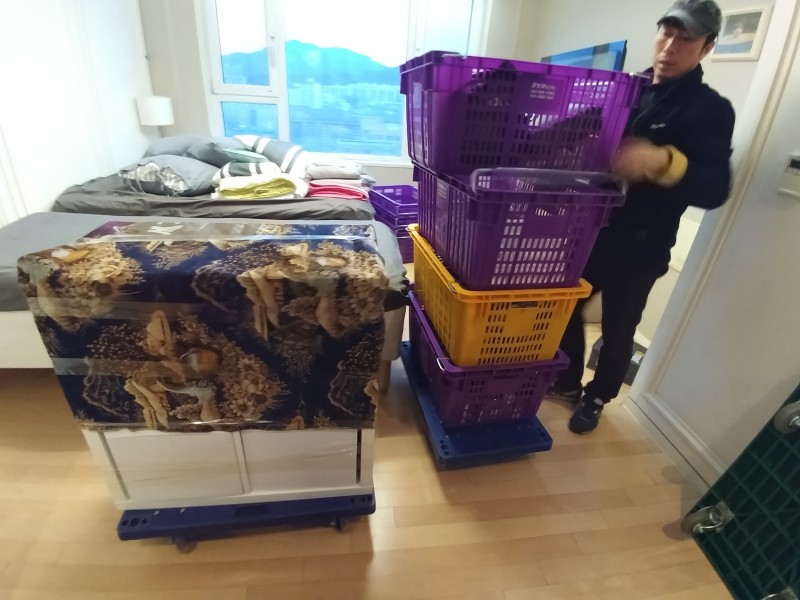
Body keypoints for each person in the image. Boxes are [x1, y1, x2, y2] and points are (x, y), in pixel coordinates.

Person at [549, 0, 735, 434]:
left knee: (619, 329)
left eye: (685, 38)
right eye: (665, 33)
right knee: (563, 308)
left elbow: (715, 188)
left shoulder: (709, 109)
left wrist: (662, 162)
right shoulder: (624, 89)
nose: (669, 47)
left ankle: (597, 397)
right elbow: (572, 130)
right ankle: (568, 381)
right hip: (591, 233)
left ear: (706, 47)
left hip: (642, 246)